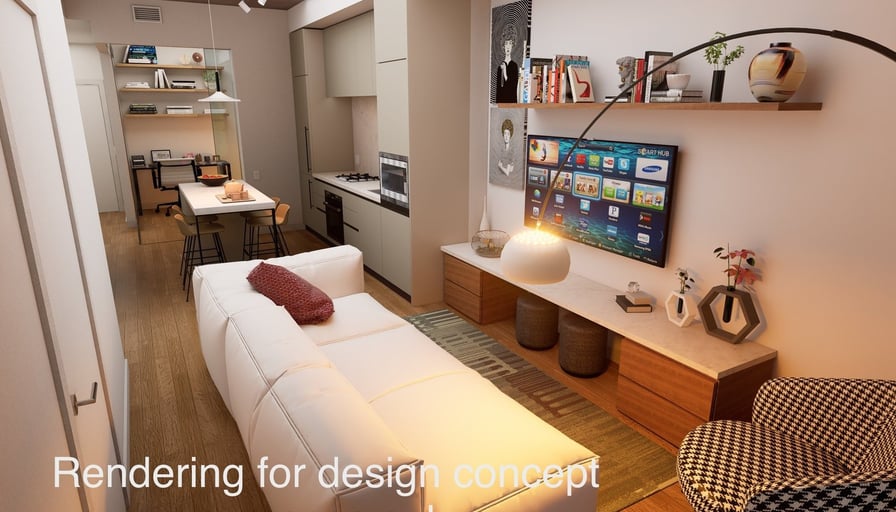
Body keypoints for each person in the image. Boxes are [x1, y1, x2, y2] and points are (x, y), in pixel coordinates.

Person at [495, 24, 519, 103]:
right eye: (506, 43)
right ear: (503, 46)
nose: (508, 46)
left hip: (512, 104)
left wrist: (505, 73)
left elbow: (513, 88)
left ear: (513, 45)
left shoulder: (514, 66)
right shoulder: (500, 67)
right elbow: (499, 91)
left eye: (510, 43)